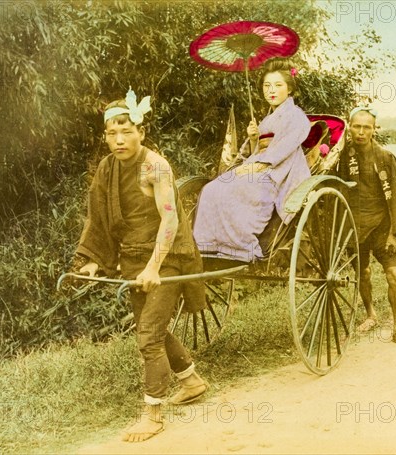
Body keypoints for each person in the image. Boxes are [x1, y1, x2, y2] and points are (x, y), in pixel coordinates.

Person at [74, 88, 208, 442]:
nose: (119, 139)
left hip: (169, 258)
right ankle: (191, 381)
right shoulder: (107, 168)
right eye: (112, 132)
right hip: (131, 258)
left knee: (147, 336)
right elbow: (98, 219)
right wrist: (90, 260)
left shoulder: (156, 166)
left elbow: (170, 223)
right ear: (105, 136)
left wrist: (153, 267)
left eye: (126, 131)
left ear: (141, 132)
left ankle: (153, 414)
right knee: (155, 329)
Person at [193, 58, 311, 262]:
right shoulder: (267, 119)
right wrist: (255, 138)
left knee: (238, 188)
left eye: (277, 85)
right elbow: (257, 149)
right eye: (266, 86)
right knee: (212, 189)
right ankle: (210, 245)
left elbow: (281, 150)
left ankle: (243, 247)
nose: (271, 90)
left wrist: (255, 166)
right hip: (259, 167)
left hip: (280, 173)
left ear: (289, 89)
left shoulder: (297, 117)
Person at [335, 106, 396, 348]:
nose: (361, 132)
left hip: (383, 226)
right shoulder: (340, 158)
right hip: (355, 225)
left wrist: (395, 233)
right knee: (363, 274)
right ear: (349, 127)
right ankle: (371, 314)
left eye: (366, 127)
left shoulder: (385, 158)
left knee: (394, 275)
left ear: (374, 129)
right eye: (356, 126)